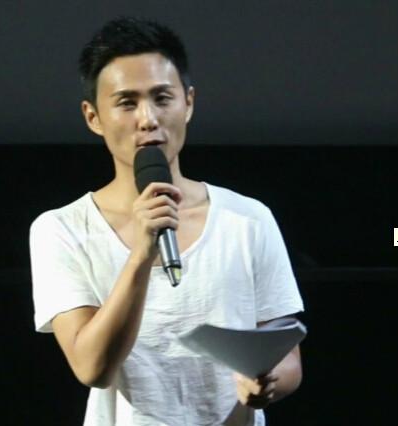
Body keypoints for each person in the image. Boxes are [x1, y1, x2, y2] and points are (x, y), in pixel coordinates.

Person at [30, 17, 304, 426]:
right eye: (126, 103)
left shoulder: (248, 219)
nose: (148, 119)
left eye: (162, 98)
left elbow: (287, 357)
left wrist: (267, 382)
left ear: (188, 103)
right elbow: (92, 367)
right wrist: (141, 253)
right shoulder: (61, 229)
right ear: (93, 116)